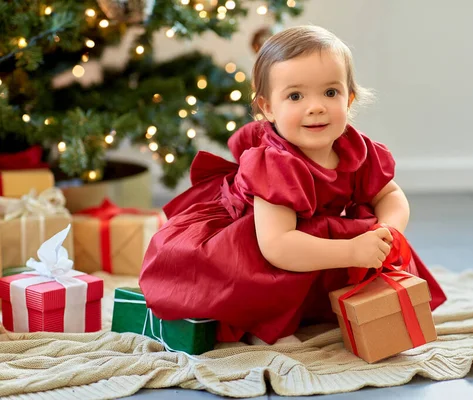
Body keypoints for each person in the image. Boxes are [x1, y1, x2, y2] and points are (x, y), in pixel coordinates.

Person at [139, 25, 446, 346]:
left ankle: (336, 303)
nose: (316, 107)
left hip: (305, 235)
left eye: (330, 93)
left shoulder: (356, 149)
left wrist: (387, 231)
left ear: (349, 98)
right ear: (268, 108)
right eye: (295, 96)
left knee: (364, 237)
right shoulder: (275, 165)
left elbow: (390, 194)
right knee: (256, 276)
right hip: (258, 242)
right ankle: (266, 323)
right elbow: (279, 247)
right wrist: (352, 251)